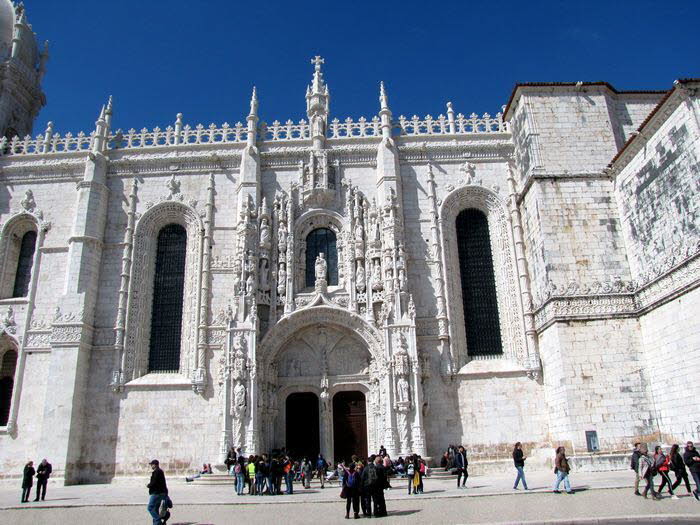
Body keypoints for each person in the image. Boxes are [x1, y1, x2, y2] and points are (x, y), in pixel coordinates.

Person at [146, 459, 169, 525]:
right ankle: (156, 523)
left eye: (151, 464)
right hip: (162, 492)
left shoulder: (156, 472)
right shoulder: (160, 471)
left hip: (156, 493)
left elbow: (154, 482)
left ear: (155, 465)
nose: (151, 466)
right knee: (155, 508)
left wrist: (149, 485)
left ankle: (158, 520)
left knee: (150, 507)